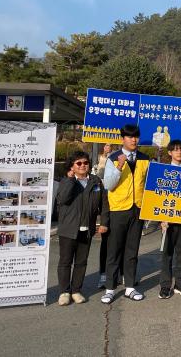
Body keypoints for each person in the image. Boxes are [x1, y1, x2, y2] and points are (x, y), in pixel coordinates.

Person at [101, 124, 150, 304]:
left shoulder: (145, 159)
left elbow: (149, 185)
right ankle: (110, 289)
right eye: (130, 137)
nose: (134, 140)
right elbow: (108, 185)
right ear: (123, 138)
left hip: (137, 209)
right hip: (118, 210)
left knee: (132, 250)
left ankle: (129, 286)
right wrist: (119, 167)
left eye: (136, 136)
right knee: (114, 251)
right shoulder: (113, 158)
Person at [56, 151, 109, 305]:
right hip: (68, 229)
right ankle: (64, 292)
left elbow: (104, 205)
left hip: (87, 229)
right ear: (72, 166)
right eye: (78, 163)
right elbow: (63, 199)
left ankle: (76, 290)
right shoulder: (66, 181)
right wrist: (71, 179)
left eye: (85, 162)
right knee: (65, 261)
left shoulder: (96, 181)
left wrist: (104, 222)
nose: (82, 166)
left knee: (81, 261)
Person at [158, 140, 181, 299]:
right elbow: (156, 196)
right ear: (170, 153)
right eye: (176, 150)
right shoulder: (163, 171)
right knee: (167, 255)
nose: (179, 152)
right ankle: (165, 286)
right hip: (167, 220)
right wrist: (160, 218)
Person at [95, 143, 113, 289]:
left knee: (121, 245)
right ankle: (103, 275)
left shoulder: (120, 158)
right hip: (108, 209)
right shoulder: (103, 160)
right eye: (106, 146)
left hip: (122, 208)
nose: (109, 147)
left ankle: (120, 274)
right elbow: (100, 173)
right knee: (106, 245)